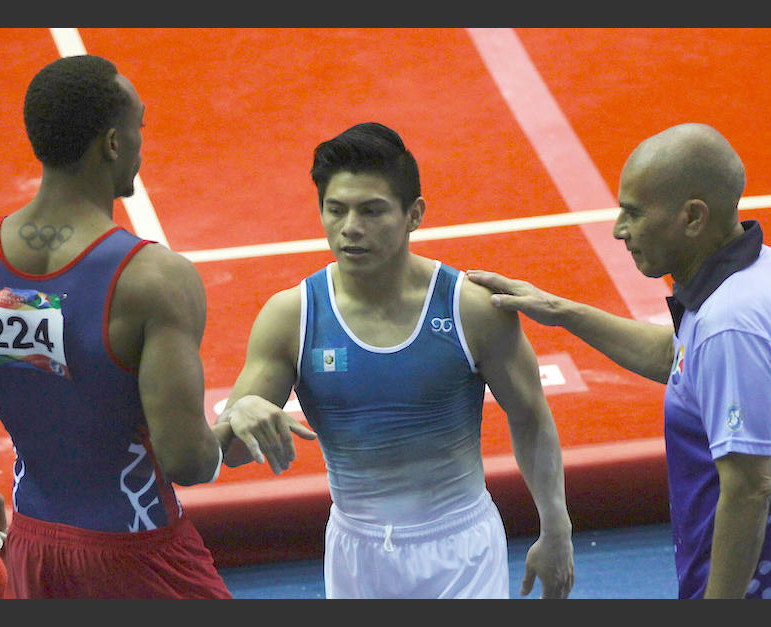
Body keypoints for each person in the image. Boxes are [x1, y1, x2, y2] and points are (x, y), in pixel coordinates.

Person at [467, 122, 771, 599]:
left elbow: (749, 489)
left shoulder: (729, 326)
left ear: (692, 217)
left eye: (633, 213)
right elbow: (685, 365)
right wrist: (561, 311)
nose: (618, 230)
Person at [0, 54, 241, 598]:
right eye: (140, 123)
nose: (142, 139)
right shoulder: (153, 280)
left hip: (34, 552)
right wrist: (240, 426)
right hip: (143, 558)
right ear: (113, 143)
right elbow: (188, 459)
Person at [216, 122, 574, 599]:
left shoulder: (469, 308)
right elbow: (230, 453)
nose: (350, 229)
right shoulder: (292, 317)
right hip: (356, 556)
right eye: (335, 210)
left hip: (461, 548)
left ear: (415, 214)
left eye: (371, 211)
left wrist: (556, 530)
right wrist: (236, 413)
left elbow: (531, 416)